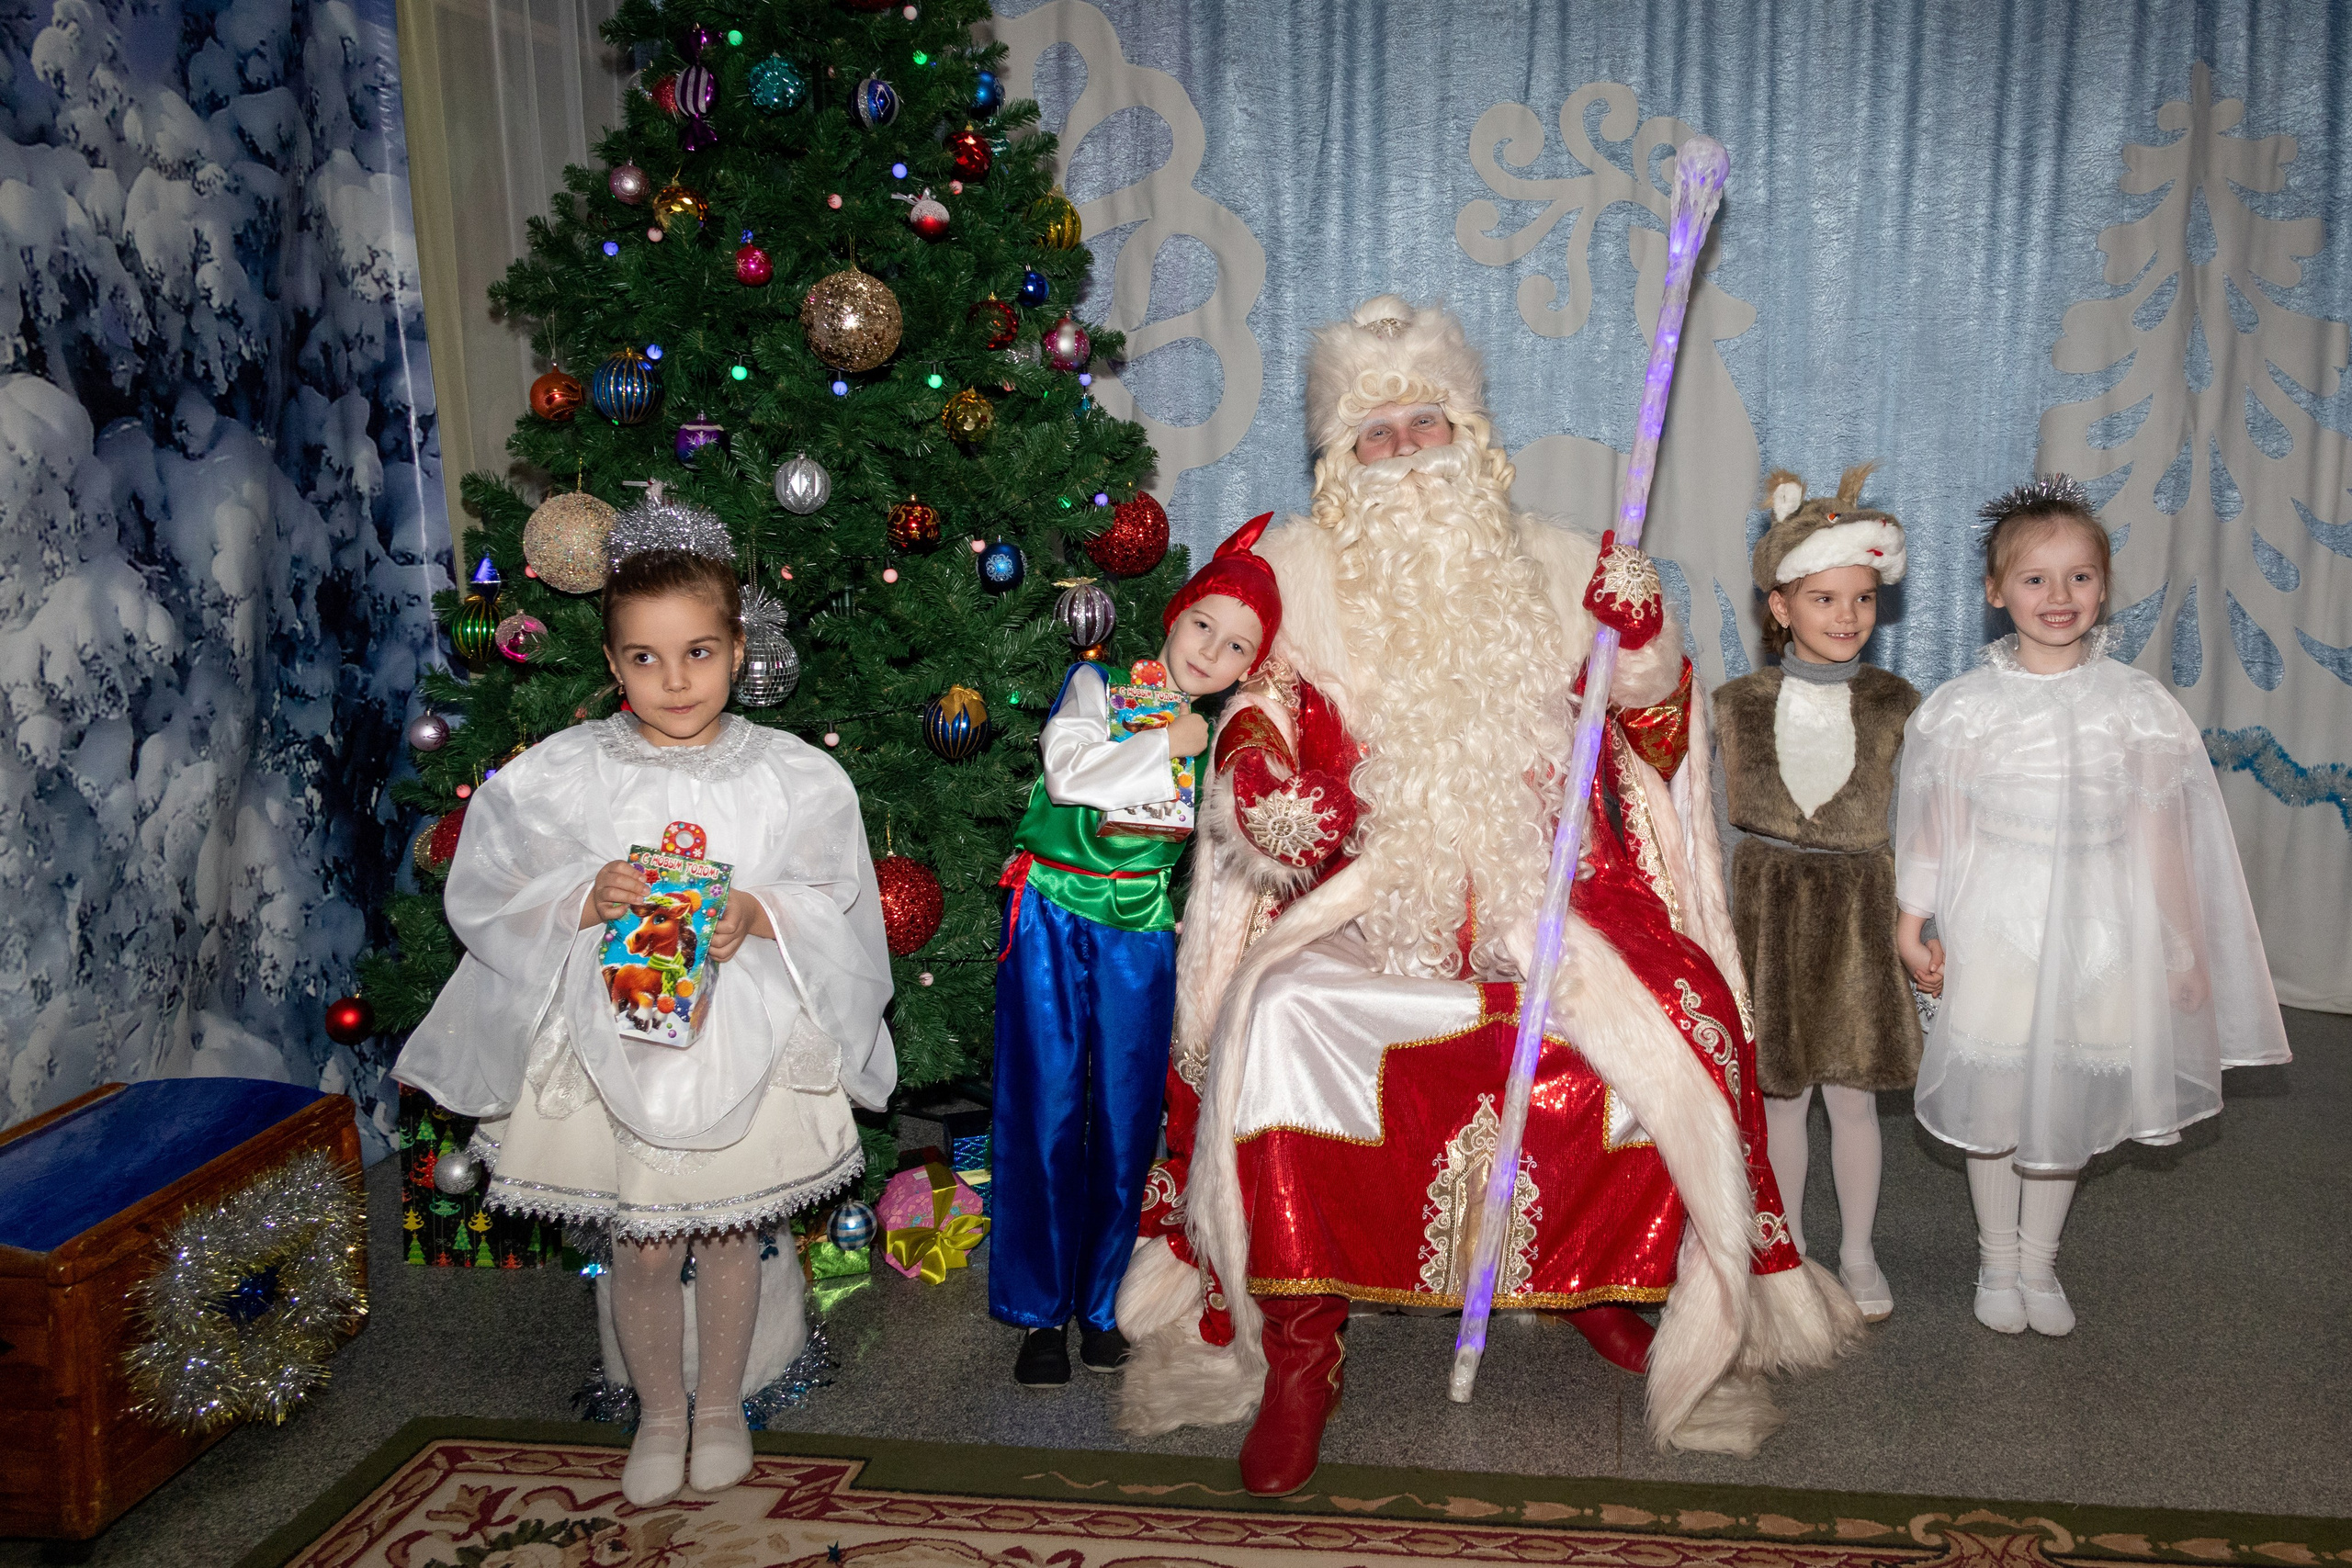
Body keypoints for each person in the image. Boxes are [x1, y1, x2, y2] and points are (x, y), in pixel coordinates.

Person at [1114, 297, 1858, 1495]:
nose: (1409, 449)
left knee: (1673, 1028)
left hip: (1548, 892)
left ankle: (1592, 1280)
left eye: (1428, 421)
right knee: (1281, 1017)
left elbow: (1659, 736)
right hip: (1365, 900)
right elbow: (1264, 705)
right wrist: (1260, 783)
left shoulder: (1565, 561)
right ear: (1340, 462)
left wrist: (1649, 642)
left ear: (1471, 431)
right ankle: (1305, 1342)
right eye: (1378, 432)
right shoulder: (1302, 569)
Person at [395, 500, 894, 1506]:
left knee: (725, 1229)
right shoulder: (567, 775)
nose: (675, 682)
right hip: (613, 1039)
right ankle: (660, 1411)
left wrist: (755, 910)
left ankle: (721, 1408)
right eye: (646, 659)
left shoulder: (793, 778)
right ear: (614, 662)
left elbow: (835, 897)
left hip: (741, 1031)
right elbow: (487, 883)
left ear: (739, 647)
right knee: (645, 1238)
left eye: (699, 653)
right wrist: (584, 894)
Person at [1894, 477, 2290, 1337]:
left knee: (2065, 1093)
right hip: (1999, 925)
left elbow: (2162, 838)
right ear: (1997, 593)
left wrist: (2182, 948)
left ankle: (2040, 1261)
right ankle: (1997, 1256)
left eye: (2079, 577)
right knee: (1998, 1098)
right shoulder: (1963, 711)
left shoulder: (2138, 710)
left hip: (2099, 934)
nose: (2059, 597)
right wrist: (1912, 916)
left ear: (2104, 585)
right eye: (2035, 580)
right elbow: (1936, 824)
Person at [990, 519, 1283, 1387]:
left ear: (1246, 668)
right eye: (1204, 625)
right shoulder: (1099, 682)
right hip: (1049, 913)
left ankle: (1101, 1302)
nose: (1211, 651)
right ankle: (1038, 1313)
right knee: (1044, 1111)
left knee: (1126, 1122)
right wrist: (1161, 744)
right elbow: (1068, 772)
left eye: (1236, 647)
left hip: (1144, 930)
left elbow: (1221, 848)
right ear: (1176, 614)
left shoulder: (1224, 739)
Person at [1713, 466, 1922, 1324]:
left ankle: (1861, 1251)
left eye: (1863, 599)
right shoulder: (1733, 704)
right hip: (1767, 913)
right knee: (1782, 1096)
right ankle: (1787, 1246)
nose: (1847, 616)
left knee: (1855, 1097)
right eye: (1827, 597)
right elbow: (1709, 825)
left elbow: (1918, 820)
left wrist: (1921, 922)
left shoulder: (1897, 704)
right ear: (1781, 606)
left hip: (1862, 916)